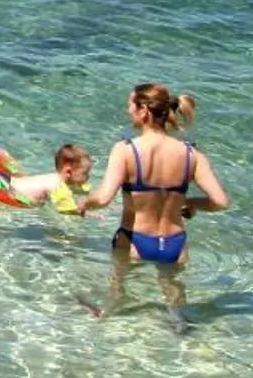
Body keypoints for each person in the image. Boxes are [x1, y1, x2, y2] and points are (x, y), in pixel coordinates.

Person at [78, 82, 229, 316]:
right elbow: (220, 201)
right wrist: (193, 203)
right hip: (175, 244)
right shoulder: (192, 154)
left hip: (135, 241)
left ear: (144, 111)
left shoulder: (125, 150)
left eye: (130, 105)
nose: (127, 110)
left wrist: (85, 203)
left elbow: (104, 197)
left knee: (116, 295)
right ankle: (180, 333)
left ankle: (107, 316)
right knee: (176, 305)